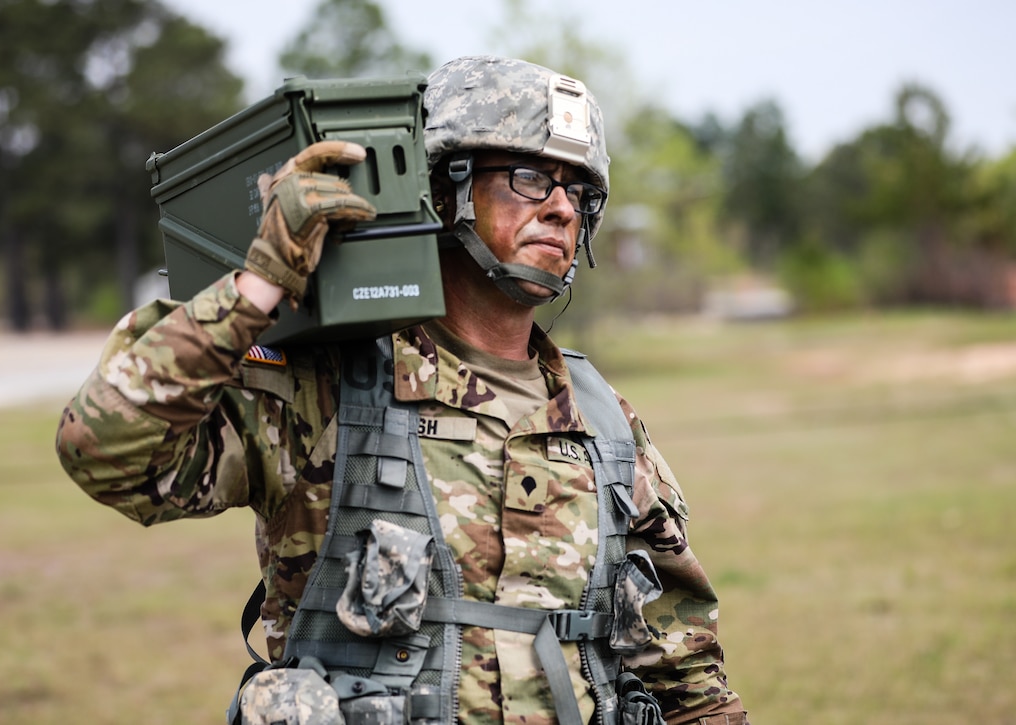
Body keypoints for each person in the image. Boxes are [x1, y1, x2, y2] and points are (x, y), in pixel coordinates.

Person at [56, 55, 749, 725]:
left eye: (580, 191)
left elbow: (688, 673)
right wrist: (261, 283)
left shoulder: (604, 424)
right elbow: (106, 448)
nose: (563, 209)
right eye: (531, 178)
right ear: (443, 189)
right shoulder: (328, 389)